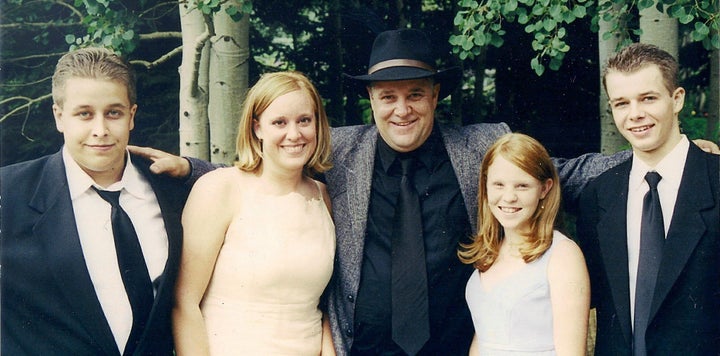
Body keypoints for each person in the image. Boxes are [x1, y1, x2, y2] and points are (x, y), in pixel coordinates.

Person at [128, 29, 719, 356]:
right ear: (371, 103)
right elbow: (274, 166)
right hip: (364, 352)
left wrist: (676, 158)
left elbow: (562, 169)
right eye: (388, 96)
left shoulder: (482, 147)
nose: (401, 108)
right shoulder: (342, 157)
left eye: (415, 93)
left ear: (436, 96)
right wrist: (194, 165)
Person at [0, 47, 190, 355]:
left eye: (113, 113)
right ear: (59, 117)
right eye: (84, 114)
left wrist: (191, 167)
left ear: (132, 116)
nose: (100, 130)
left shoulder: (173, 191)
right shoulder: (8, 194)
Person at [171, 71, 336, 355]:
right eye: (279, 122)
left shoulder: (323, 197)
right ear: (257, 127)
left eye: (304, 120)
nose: (294, 134)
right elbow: (184, 303)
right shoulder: (219, 189)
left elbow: (320, 306)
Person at [576, 43, 720, 355]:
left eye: (648, 98)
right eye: (621, 103)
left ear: (677, 98)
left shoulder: (715, 181)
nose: (635, 114)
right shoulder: (599, 195)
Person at [459, 133, 590, 355]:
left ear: (545, 188)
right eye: (499, 184)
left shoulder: (562, 255)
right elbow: (482, 339)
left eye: (522, 185)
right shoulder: (490, 251)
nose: (508, 197)